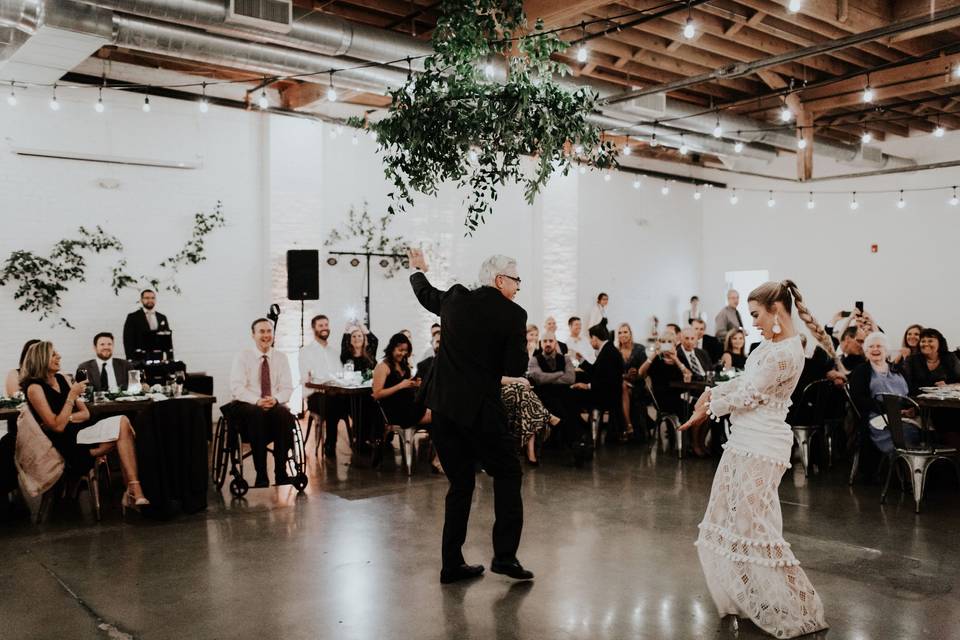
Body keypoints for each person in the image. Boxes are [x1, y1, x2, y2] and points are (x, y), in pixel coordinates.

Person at [680, 280, 829, 638]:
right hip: (746, 440)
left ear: (777, 310)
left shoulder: (787, 353)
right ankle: (755, 595)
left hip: (763, 445)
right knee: (740, 520)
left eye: (757, 315)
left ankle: (797, 605)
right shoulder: (771, 345)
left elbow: (750, 394)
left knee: (755, 523)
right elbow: (746, 381)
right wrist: (712, 392)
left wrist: (708, 407)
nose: (754, 323)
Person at [408, 248, 533, 584]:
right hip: (482, 413)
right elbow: (514, 368)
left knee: (460, 484)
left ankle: (452, 565)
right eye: (517, 279)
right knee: (508, 473)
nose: (519, 286)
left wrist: (417, 269)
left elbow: (424, 294)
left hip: (445, 410)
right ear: (500, 280)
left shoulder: (454, 299)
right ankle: (504, 557)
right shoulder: (513, 314)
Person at [22, 341, 149, 509]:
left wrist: (63, 418)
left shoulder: (63, 379)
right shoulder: (34, 388)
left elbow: (85, 414)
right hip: (66, 442)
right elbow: (58, 429)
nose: (59, 356)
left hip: (82, 432)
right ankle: (132, 491)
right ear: (41, 358)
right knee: (124, 434)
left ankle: (132, 486)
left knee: (123, 421)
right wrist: (70, 397)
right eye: (53, 354)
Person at [229, 318, 295, 488]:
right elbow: (237, 387)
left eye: (269, 331)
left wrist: (276, 399)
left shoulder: (281, 357)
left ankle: (281, 472)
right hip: (247, 405)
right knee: (256, 413)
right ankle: (261, 475)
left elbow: (287, 387)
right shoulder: (243, 357)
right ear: (253, 335)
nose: (266, 335)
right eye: (262, 332)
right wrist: (257, 401)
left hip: (272, 405)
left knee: (285, 414)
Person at [848, 332, 918, 454]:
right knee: (911, 433)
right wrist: (892, 410)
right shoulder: (861, 371)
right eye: (871, 346)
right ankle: (901, 467)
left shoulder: (898, 369)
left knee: (932, 429)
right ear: (866, 351)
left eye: (879, 346)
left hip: (906, 416)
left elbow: (911, 392)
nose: (875, 349)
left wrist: (911, 409)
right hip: (879, 417)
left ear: (886, 350)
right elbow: (859, 399)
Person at [527, 332, 584, 464]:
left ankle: (575, 444)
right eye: (545, 341)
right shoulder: (534, 360)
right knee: (559, 408)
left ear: (555, 343)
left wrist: (548, 377)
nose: (548, 344)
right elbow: (539, 379)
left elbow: (570, 378)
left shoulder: (565, 359)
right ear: (541, 343)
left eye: (550, 341)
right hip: (544, 397)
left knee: (572, 406)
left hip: (565, 395)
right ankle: (574, 445)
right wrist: (559, 374)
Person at [298, 314, 344, 460]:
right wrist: (326, 381)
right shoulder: (306, 351)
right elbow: (307, 378)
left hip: (335, 393)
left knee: (356, 402)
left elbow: (341, 375)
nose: (324, 328)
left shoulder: (334, 352)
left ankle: (361, 441)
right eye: (321, 326)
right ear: (314, 328)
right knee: (332, 403)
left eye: (326, 325)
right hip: (315, 395)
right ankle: (330, 444)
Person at [573, 322, 628, 441]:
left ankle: (580, 432)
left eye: (590, 339)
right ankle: (583, 428)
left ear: (594, 338)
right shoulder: (607, 350)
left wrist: (587, 386)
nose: (590, 342)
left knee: (572, 395)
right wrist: (581, 360)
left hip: (607, 395)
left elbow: (608, 381)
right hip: (606, 391)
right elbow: (597, 371)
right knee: (576, 388)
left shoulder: (608, 353)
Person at [372, 332, 429, 432]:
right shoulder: (383, 366)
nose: (403, 353)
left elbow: (406, 385)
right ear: (392, 348)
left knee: (437, 411)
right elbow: (377, 394)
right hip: (396, 411)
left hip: (408, 406)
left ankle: (427, 443)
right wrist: (400, 386)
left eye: (406, 351)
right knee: (437, 416)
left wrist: (414, 384)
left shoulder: (403, 364)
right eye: (400, 350)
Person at [902, 328, 960, 394]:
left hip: (948, 399)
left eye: (930, 341)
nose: (926, 344)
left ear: (940, 343)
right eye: (923, 341)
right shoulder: (912, 360)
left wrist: (948, 385)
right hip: (918, 399)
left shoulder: (950, 357)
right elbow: (905, 383)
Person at [122, 289, 171, 359]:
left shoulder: (162, 317)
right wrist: (130, 359)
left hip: (159, 357)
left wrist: (169, 357)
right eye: (147, 298)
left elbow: (167, 340)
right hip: (139, 358)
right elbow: (127, 340)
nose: (150, 300)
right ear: (141, 300)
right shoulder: (133, 317)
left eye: (152, 298)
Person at [616, 323, 646, 437]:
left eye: (625, 332)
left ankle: (628, 427)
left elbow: (644, 373)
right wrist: (625, 376)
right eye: (620, 332)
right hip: (621, 384)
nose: (622, 335)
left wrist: (634, 375)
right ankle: (628, 424)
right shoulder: (616, 351)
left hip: (637, 384)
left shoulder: (639, 349)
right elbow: (614, 374)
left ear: (630, 334)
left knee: (625, 388)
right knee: (623, 386)